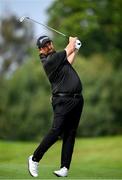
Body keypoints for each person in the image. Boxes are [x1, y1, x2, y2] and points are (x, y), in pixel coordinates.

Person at [28, 35, 84, 177]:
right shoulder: (49, 61)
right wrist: (73, 41)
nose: (49, 45)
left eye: (49, 42)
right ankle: (34, 158)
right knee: (56, 131)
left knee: (70, 133)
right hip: (62, 101)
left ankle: (64, 167)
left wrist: (75, 49)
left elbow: (68, 62)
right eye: (46, 45)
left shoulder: (57, 58)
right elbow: (69, 48)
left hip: (76, 100)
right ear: (41, 50)